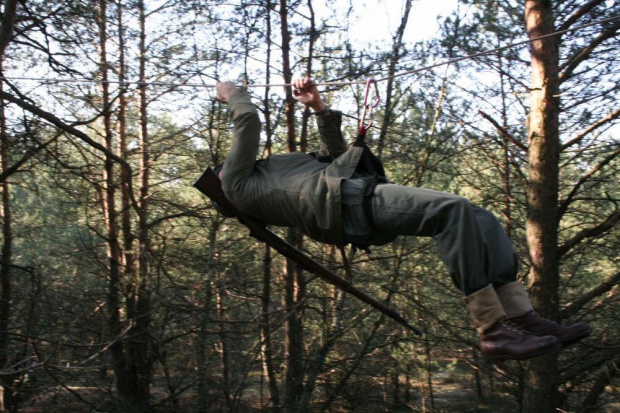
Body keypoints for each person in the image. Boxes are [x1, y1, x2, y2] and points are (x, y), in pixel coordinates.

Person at [214, 77, 590, 361]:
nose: (222, 168)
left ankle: (521, 317)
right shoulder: (237, 184)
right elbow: (247, 120)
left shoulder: (275, 169)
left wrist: (318, 108)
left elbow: (334, 156)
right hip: (345, 204)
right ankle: (492, 329)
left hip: (354, 193)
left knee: (479, 217)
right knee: (451, 210)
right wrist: (232, 94)